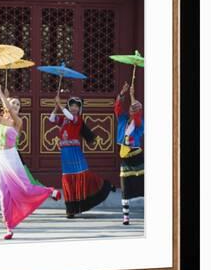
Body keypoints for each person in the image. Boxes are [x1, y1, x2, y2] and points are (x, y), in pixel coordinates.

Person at [0, 80, 60, 240]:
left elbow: (10, 111)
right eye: (14, 104)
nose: (15, 107)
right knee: (5, 195)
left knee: (25, 188)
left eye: (18, 105)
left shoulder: (17, 122)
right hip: (0, 159)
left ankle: (49, 191)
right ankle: (9, 227)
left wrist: (4, 96)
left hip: (12, 157)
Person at [49, 93, 115, 218]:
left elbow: (69, 115)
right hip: (65, 154)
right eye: (72, 105)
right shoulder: (64, 120)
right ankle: (71, 209)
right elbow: (51, 119)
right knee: (68, 180)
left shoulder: (78, 120)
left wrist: (60, 104)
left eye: (76, 106)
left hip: (75, 152)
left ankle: (105, 186)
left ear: (80, 109)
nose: (74, 108)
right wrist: (56, 108)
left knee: (84, 176)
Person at [115, 81, 144, 225]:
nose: (132, 110)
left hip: (137, 157)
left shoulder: (139, 123)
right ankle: (126, 216)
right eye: (132, 109)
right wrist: (123, 93)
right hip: (125, 157)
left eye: (136, 109)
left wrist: (133, 96)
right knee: (125, 186)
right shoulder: (123, 119)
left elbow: (137, 118)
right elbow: (118, 107)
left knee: (143, 185)